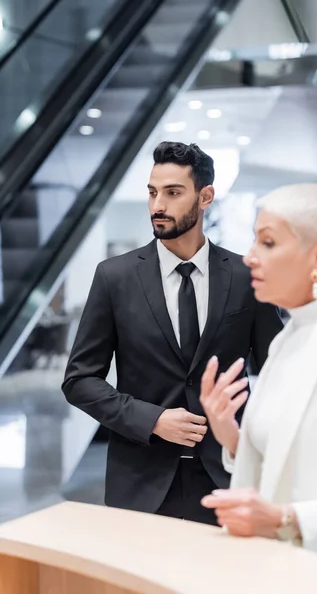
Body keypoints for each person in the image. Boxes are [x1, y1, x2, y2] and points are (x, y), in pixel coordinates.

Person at [62, 141, 282, 525]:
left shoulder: (246, 277)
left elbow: (280, 373)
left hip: (229, 480)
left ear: (205, 196)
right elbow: (79, 380)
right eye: (152, 192)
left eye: (173, 192)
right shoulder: (115, 277)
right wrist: (152, 419)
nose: (157, 206)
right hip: (140, 483)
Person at [200, 183, 317, 569]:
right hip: (278, 570)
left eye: (267, 243)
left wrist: (288, 520)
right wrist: (231, 435)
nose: (249, 258)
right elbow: (284, 458)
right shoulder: (290, 337)